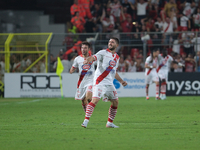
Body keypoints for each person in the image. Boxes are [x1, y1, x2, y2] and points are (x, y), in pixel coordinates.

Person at [81, 37, 127, 128]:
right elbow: (94, 57)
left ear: (116, 45)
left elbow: (114, 72)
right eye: (109, 41)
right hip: (100, 81)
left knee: (115, 102)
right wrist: (88, 60)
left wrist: (121, 81)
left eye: (112, 42)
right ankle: (85, 121)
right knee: (95, 100)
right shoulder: (103, 53)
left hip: (109, 83)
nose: (110, 43)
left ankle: (109, 123)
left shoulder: (117, 57)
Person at [69, 41, 95, 113]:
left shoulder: (93, 58)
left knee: (89, 97)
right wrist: (71, 70)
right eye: (82, 48)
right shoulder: (77, 59)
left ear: (89, 49)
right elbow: (73, 67)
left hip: (91, 80)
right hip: (82, 81)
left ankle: (89, 112)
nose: (83, 49)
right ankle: (87, 112)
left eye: (85, 48)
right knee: (83, 100)